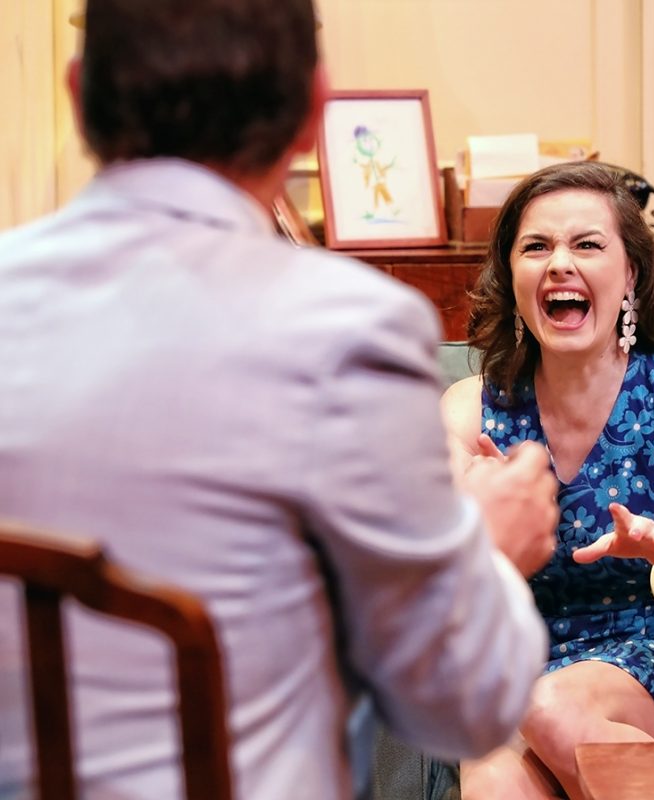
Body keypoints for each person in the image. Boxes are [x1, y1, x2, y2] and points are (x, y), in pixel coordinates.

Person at [0, 2, 558, 798]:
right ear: (313, 113)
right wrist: (487, 554)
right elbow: (458, 710)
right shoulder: (346, 328)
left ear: (78, 89)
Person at [442, 162, 654, 798]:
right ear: (512, 278)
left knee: (544, 705)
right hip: (526, 661)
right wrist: (480, 541)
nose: (558, 264)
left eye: (588, 245)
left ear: (630, 274)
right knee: (492, 768)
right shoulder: (468, 413)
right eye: (536, 247)